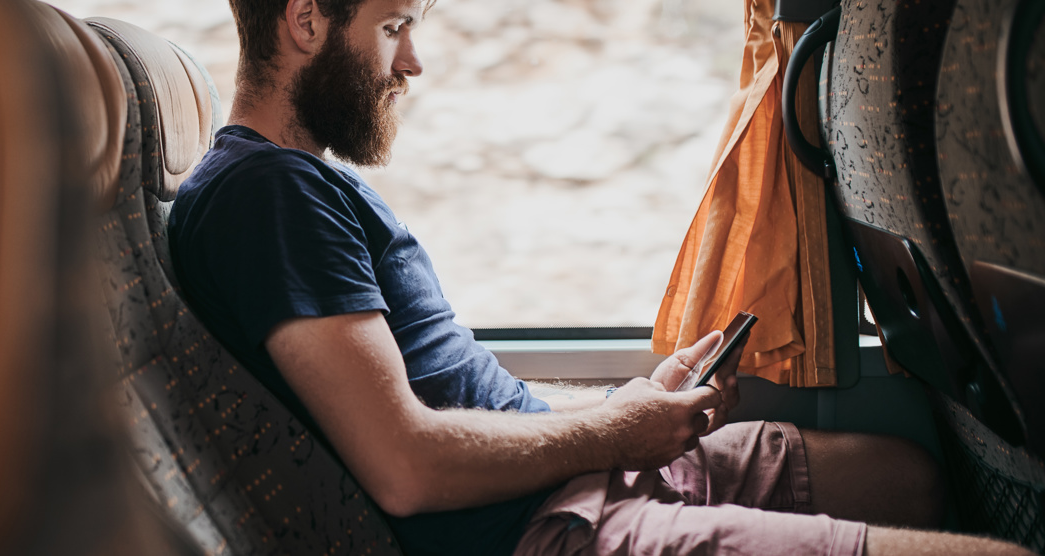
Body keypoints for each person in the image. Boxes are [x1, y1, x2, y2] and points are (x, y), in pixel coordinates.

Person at [167, 0, 1032, 554]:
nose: (414, 62)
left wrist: (628, 405)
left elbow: (444, 403)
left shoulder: (297, 184)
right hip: (544, 532)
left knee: (909, 476)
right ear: (306, 20)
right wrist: (619, 434)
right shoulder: (265, 196)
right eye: (394, 26)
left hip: (567, 480)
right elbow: (406, 466)